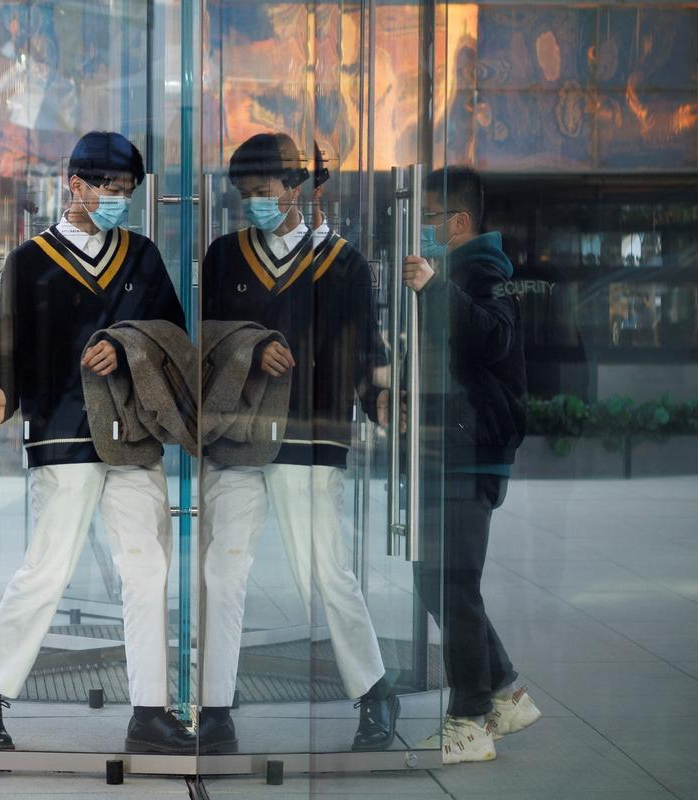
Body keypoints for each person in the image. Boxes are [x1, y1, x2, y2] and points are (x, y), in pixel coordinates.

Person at [0, 131, 193, 754]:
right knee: (48, 569)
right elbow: (6, 344)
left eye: (126, 190)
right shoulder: (29, 261)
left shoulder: (142, 256)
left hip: (134, 435)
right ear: (75, 185)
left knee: (148, 571)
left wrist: (126, 346)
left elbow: (173, 334)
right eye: (107, 188)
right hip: (62, 431)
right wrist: (2, 394)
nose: (117, 199)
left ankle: (149, 710)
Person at [199, 132, 399, 753]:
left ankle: (373, 693)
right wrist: (250, 347)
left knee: (325, 573)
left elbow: (369, 352)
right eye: (245, 195)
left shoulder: (344, 263)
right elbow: (201, 339)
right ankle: (214, 706)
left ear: (297, 186)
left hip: (313, 441)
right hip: (238, 437)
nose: (255, 204)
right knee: (221, 572)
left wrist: (384, 400)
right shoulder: (223, 257)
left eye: (264, 192)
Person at [404, 165, 541, 764]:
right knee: (437, 579)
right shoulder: (461, 271)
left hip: (471, 454)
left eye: (429, 218)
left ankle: (470, 718)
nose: (423, 230)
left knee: (453, 582)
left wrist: (435, 287)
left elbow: (491, 338)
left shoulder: (485, 274)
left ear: (459, 222)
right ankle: (505, 690)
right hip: (448, 450)